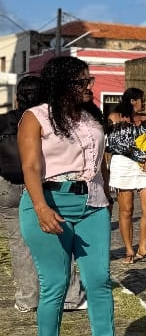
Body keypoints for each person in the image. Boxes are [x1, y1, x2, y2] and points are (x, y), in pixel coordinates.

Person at [17, 57, 134, 336]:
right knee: (54, 285)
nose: (89, 87)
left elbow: (100, 161)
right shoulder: (35, 117)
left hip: (93, 205)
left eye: (89, 80)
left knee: (99, 281)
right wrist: (40, 207)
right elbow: (30, 167)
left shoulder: (90, 116)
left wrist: (107, 196)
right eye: (82, 82)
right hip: (50, 203)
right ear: (61, 84)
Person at [2, 75, 85, 313]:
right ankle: (70, 296)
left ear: (18, 97)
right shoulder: (51, 121)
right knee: (62, 237)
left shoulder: (4, 121)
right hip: (44, 184)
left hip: (8, 185)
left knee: (19, 243)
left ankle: (28, 299)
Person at [106, 87, 146, 263]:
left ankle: (143, 248)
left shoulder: (145, 118)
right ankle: (129, 250)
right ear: (132, 101)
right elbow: (116, 145)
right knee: (126, 209)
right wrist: (143, 158)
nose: (144, 103)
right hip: (123, 165)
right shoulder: (114, 117)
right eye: (142, 99)